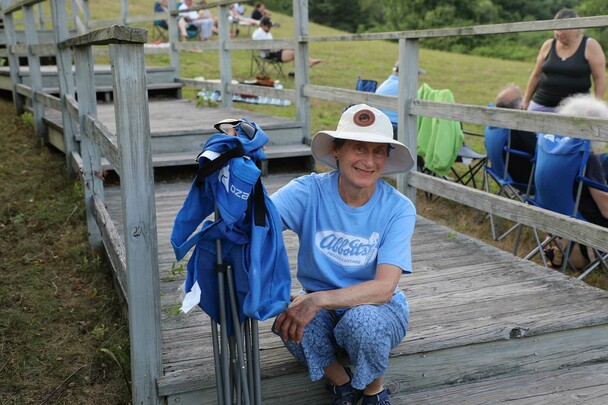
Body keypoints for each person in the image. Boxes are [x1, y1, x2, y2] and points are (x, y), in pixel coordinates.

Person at [270, 104, 416, 405]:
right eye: (359, 148)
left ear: (387, 158)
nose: (368, 161)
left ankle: (375, 391)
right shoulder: (307, 192)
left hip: (378, 308)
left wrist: (316, 299)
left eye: (378, 152)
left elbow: (384, 288)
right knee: (287, 317)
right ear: (336, 149)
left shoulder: (399, 208)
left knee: (362, 321)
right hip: (320, 304)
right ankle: (343, 385)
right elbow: (258, 223)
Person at [522, 9, 606, 112]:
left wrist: (595, 107)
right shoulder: (548, 45)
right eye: (556, 29)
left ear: (575, 28)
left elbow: (599, 79)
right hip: (542, 102)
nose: (559, 33)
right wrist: (526, 101)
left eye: (563, 29)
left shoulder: (590, 45)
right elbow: (536, 75)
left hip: (575, 108)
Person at [493, 84, 537, 185]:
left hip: (500, 172)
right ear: (520, 105)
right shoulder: (519, 128)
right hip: (526, 179)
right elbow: (539, 151)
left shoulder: (494, 125)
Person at [252, 16, 321, 67]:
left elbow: (272, 44)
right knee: (296, 52)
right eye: (268, 26)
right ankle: (307, 63)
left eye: (270, 26)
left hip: (275, 50)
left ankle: (307, 62)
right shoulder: (257, 34)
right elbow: (260, 47)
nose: (270, 28)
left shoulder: (268, 33)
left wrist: (278, 47)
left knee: (296, 47)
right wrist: (274, 48)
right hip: (268, 54)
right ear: (262, 25)